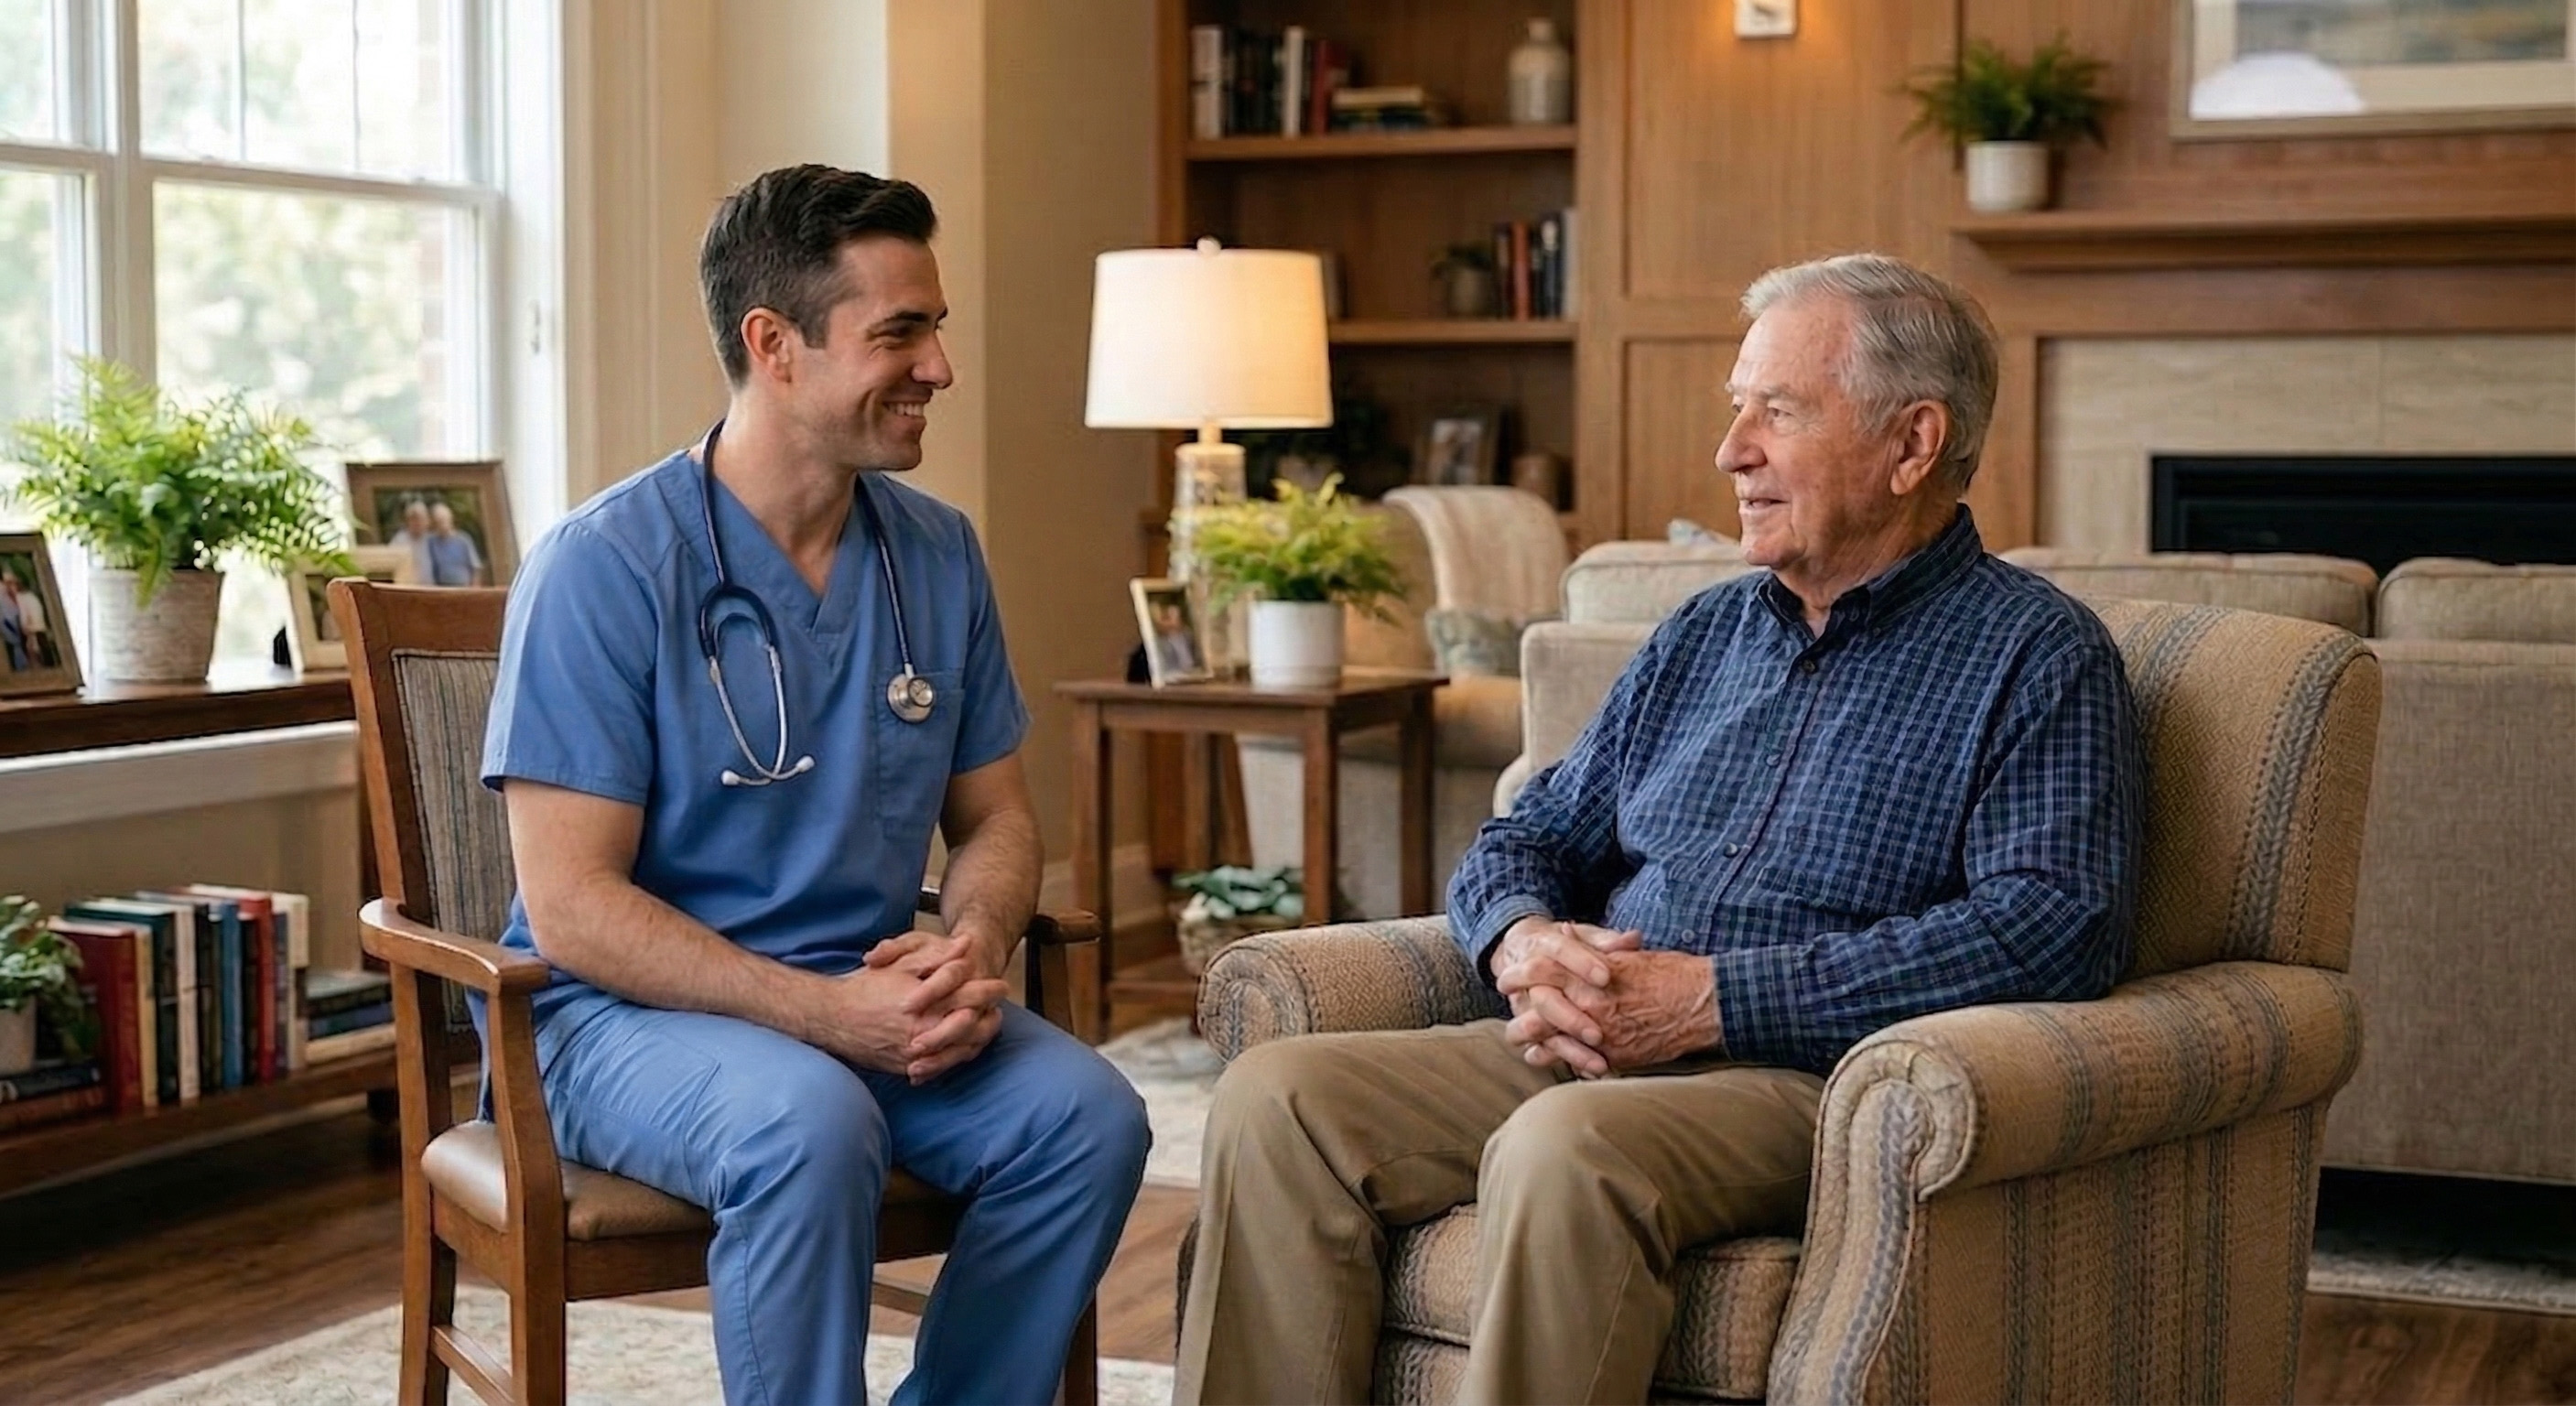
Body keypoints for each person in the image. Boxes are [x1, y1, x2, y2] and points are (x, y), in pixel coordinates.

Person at [1177, 254, 2145, 1404]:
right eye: (1738, 409)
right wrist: (1523, 942)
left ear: (1913, 444)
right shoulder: (1704, 635)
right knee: (1276, 1100)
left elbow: (2052, 931)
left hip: (1814, 1081)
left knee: (1565, 1149)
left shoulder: (2037, 658)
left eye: (1776, 412)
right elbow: (1526, 834)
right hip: (1591, 1040)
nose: (1732, 451)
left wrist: (1713, 999)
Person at [483, 165, 1150, 1406]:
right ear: (773, 346)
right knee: (804, 1122)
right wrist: (821, 1016)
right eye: (901, 332)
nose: (940, 366)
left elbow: (996, 816)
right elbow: (571, 906)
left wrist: (971, 943)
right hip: (614, 1024)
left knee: (1088, 1123)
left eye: (935, 327)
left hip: (868, 1006)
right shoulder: (603, 568)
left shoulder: (935, 553)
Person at [423, 500, 487, 585]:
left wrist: (475, 590)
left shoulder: (463, 539)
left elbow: (475, 568)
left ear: (451, 519)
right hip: (443, 589)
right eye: (437, 522)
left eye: (443, 520)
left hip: (464, 588)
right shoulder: (432, 542)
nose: (441, 524)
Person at [1149, 597, 1202, 678]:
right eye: (1168, 618)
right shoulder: (1158, 641)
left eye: (1177, 617)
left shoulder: (1188, 635)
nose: (1174, 622)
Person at [386, 498, 435, 583]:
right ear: (408, 521)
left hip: (431, 588)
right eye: (414, 519)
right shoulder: (399, 539)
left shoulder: (432, 540)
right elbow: (389, 564)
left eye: (421, 519)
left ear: (428, 521)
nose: (418, 523)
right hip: (407, 588)